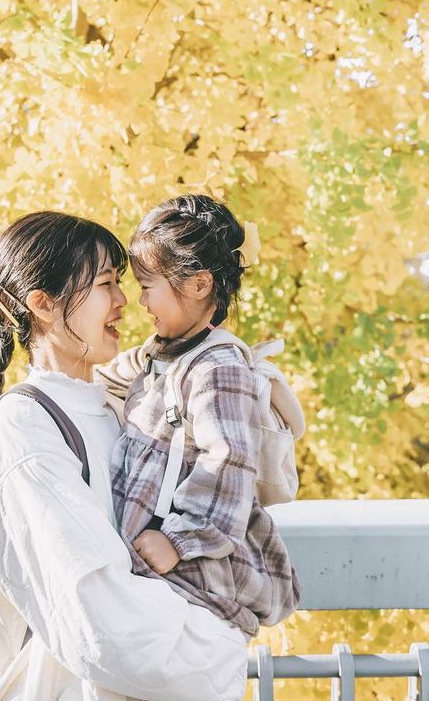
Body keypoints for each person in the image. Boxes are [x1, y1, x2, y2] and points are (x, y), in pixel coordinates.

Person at [0, 211, 248, 700]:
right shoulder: (24, 429)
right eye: (105, 283)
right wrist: (225, 649)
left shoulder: (118, 408)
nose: (123, 301)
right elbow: (102, 622)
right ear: (44, 305)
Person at [98, 195, 301, 638]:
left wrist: (179, 540)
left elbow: (226, 464)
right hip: (155, 570)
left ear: (198, 284)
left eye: (148, 285)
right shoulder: (161, 353)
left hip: (191, 575)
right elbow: (102, 378)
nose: (140, 300)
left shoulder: (218, 367)